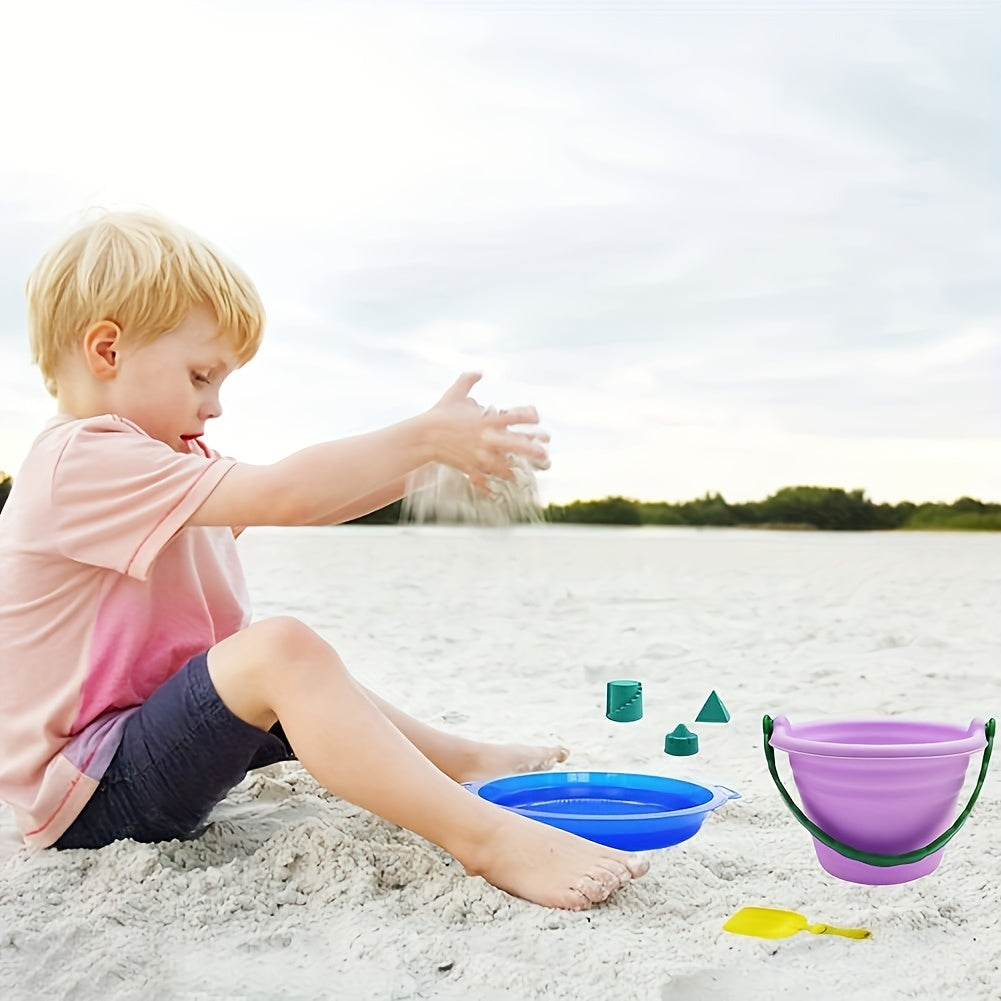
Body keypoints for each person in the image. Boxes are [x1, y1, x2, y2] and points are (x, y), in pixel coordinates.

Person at [0, 210, 648, 910]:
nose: (213, 405)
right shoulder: (83, 460)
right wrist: (421, 435)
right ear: (106, 350)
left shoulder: (157, 465)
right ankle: (488, 840)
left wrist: (433, 460)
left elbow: (314, 498)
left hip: (140, 751)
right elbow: (290, 491)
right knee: (281, 650)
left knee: (299, 668)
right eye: (200, 375)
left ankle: (457, 758)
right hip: (94, 796)